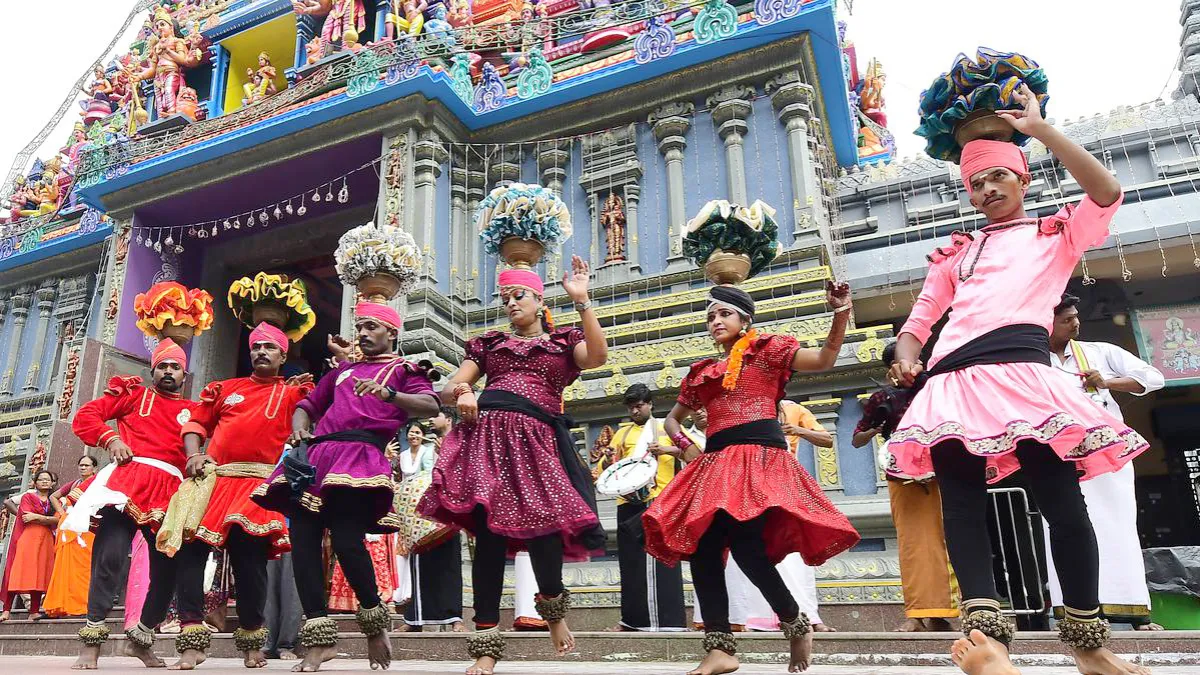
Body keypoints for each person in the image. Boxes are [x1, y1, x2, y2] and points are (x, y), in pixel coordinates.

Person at [885, 85, 1150, 675]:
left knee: (1062, 503)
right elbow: (920, 322)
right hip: (952, 380)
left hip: (1026, 378)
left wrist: (1041, 131)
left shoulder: (1054, 236)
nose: (986, 191)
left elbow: (1107, 191)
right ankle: (988, 645)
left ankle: (1089, 646)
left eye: (997, 179)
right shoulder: (955, 253)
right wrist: (906, 354)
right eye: (976, 184)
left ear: (1022, 178)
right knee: (962, 504)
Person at [644, 283, 860, 675]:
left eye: (724, 314)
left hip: (758, 459)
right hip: (716, 462)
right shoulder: (702, 373)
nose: (715, 322)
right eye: (710, 316)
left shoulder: (769, 351)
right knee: (703, 547)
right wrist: (687, 448)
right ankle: (720, 646)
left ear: (745, 319)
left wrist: (841, 311)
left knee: (746, 549)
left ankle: (793, 621)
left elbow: (826, 359)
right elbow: (671, 419)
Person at [419, 256, 607, 675]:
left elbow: (596, 357)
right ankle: (485, 644)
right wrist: (465, 390)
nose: (509, 303)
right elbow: (451, 386)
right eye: (504, 298)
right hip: (486, 440)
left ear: (540, 300)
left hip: (535, 442)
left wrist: (582, 301)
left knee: (543, 533)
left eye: (517, 295)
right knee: (487, 540)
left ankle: (554, 615)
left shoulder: (562, 344)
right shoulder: (489, 344)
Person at [252, 301, 440, 672]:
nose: (364, 333)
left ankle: (373, 624)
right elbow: (308, 405)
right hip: (317, 458)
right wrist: (299, 427)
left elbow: (429, 405)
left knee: (346, 541)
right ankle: (320, 640)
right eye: (361, 327)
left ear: (392, 332)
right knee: (303, 544)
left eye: (372, 326)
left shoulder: (404, 369)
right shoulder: (343, 371)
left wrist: (389, 396)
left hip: (360, 457)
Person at [169, 322, 313, 668]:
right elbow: (195, 425)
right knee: (191, 555)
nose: (261, 352)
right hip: (214, 480)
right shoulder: (224, 388)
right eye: (256, 347)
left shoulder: (294, 391)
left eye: (270, 348)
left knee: (250, 566)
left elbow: (309, 413)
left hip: (257, 485)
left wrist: (301, 429)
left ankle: (251, 639)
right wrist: (193, 455)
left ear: (282, 355)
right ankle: (191, 639)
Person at [67, 338, 194, 669]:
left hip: (170, 493)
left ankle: (141, 638)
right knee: (109, 556)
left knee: (168, 569)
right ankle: (92, 641)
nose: (168, 371)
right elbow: (86, 416)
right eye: (162, 366)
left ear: (185, 373)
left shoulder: (194, 412)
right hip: (126, 482)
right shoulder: (134, 396)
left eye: (174, 367)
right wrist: (111, 439)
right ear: (153, 371)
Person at [1048, 294, 1164, 630]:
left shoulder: (1099, 352)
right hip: (1060, 455)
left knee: (1118, 526)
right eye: (1067, 319)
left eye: (1075, 316)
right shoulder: (1033, 360)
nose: (1075, 323)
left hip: (1107, 453)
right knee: (1062, 530)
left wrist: (1107, 382)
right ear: (1047, 323)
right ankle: (1074, 615)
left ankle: (1136, 613)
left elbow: (1153, 378)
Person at [851, 342, 958, 632]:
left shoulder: (936, 386)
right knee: (914, 544)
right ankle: (917, 614)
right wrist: (877, 427)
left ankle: (948, 611)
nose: (914, 365)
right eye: (906, 361)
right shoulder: (883, 398)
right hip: (905, 475)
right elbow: (857, 438)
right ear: (893, 368)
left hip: (944, 470)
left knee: (951, 538)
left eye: (916, 359)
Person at [603, 383, 686, 633]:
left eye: (639, 406)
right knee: (630, 563)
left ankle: (667, 622)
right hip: (627, 501)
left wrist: (668, 449)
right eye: (631, 407)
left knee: (660, 560)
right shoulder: (622, 434)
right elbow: (611, 469)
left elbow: (693, 453)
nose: (635, 411)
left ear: (650, 404)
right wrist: (608, 459)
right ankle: (632, 620)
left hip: (658, 499)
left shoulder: (667, 428)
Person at [398, 423, 464, 632]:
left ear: (448, 420)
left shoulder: (462, 437)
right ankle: (414, 619)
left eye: (436, 416)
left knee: (450, 563)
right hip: (419, 512)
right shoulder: (409, 453)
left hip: (449, 508)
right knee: (419, 562)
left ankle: (455, 618)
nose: (431, 421)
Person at [44, 455, 100, 618]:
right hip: (69, 529)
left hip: (86, 529)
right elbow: (53, 496)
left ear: (94, 468)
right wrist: (62, 513)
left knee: (84, 568)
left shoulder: (97, 482)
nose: (82, 468)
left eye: (86, 465)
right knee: (65, 567)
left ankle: (83, 605)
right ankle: (63, 604)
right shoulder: (75, 484)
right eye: (80, 465)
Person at [5, 470, 59, 622]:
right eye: (41, 479)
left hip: (46, 539)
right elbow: (27, 517)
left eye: (47, 480)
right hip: (28, 537)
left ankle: (34, 611)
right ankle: (6, 610)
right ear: (35, 482)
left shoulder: (54, 500)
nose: (44, 482)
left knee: (40, 574)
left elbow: (59, 519)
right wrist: (47, 519)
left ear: (52, 483)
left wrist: (38, 517)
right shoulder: (28, 496)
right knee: (19, 572)